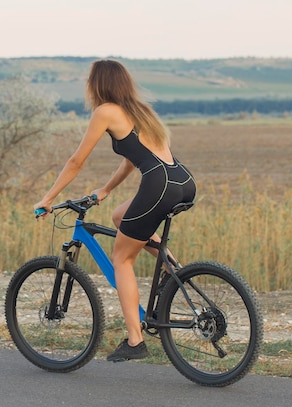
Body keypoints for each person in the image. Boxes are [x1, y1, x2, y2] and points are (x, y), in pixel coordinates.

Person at [34, 59, 196, 362]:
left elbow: (76, 161)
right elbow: (133, 158)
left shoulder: (105, 111)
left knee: (121, 258)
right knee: (121, 216)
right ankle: (173, 270)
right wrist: (106, 189)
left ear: (97, 85)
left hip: (159, 185)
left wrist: (47, 198)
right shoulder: (140, 110)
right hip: (182, 181)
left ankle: (136, 341)